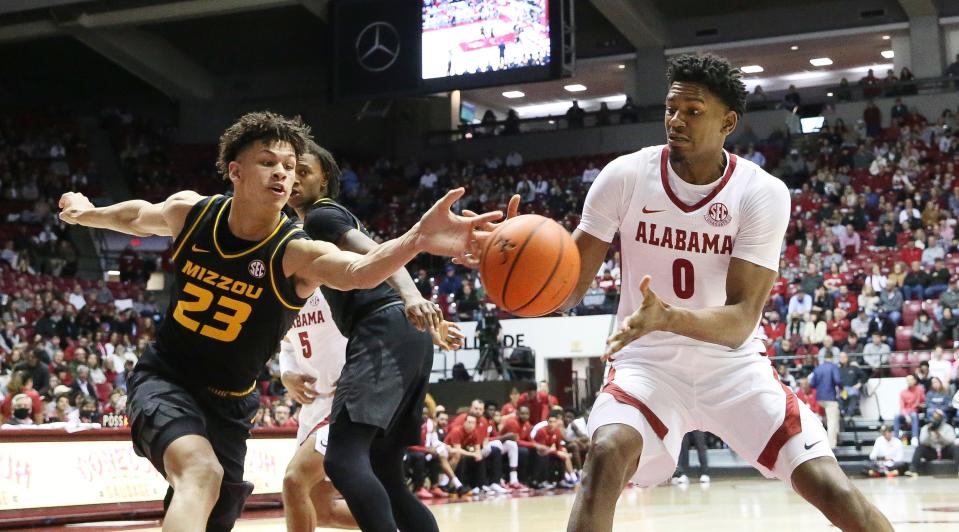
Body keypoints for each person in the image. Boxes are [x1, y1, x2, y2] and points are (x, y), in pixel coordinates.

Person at [57, 111, 503, 532]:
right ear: (235, 171)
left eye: (289, 165)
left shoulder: (297, 252)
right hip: (166, 379)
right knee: (200, 471)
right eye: (267, 162)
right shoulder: (192, 213)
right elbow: (135, 215)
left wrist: (417, 238)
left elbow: (359, 271)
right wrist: (85, 212)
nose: (281, 173)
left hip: (231, 404)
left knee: (208, 500)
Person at [545, 54, 890, 531]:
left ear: (728, 121)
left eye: (693, 111)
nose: (676, 120)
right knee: (604, 455)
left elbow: (741, 320)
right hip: (647, 365)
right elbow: (564, 293)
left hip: (733, 369)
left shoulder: (760, 192)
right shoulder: (624, 176)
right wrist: (515, 263)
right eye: (671, 109)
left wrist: (669, 317)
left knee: (833, 489)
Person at [285, 140, 496, 530]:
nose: (293, 178)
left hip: (382, 326)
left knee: (342, 460)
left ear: (325, 178)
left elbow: (377, 251)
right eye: (289, 170)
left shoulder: (321, 216)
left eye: (303, 170)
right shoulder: (307, 229)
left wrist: (412, 295)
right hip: (402, 333)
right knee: (385, 475)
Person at [907, 409, 958, 476]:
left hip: (944, 451)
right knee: (919, 448)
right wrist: (929, 433)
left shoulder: (948, 427)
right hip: (932, 451)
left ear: (942, 418)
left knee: (956, 448)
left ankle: (958, 470)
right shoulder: (926, 428)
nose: (936, 419)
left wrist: (940, 436)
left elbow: (951, 440)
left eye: (938, 417)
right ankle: (913, 470)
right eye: (934, 417)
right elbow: (922, 441)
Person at [811, 351, 842, 448]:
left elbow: (812, 383)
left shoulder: (818, 368)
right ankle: (831, 445)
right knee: (832, 421)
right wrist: (842, 388)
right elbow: (837, 380)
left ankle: (831, 439)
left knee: (832, 418)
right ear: (832, 357)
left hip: (820, 398)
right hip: (830, 398)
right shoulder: (833, 367)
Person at [894, 374, 925, 445]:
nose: (908, 381)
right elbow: (902, 407)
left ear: (914, 380)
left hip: (914, 412)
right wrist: (906, 416)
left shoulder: (920, 390)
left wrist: (920, 405)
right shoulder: (903, 392)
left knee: (914, 415)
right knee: (896, 416)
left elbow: (923, 402)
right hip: (905, 413)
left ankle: (914, 438)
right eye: (907, 380)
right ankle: (896, 438)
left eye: (910, 380)